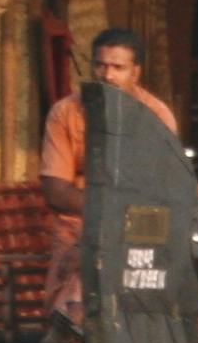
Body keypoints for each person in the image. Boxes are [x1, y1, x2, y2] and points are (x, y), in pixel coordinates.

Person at [40, 29, 177, 324]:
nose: (107, 75)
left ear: (135, 72)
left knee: (105, 257)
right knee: (77, 263)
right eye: (100, 65)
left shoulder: (157, 116)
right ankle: (68, 325)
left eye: (118, 68)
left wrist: (102, 234)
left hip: (139, 224)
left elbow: (154, 194)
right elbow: (55, 191)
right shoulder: (65, 113)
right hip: (80, 221)